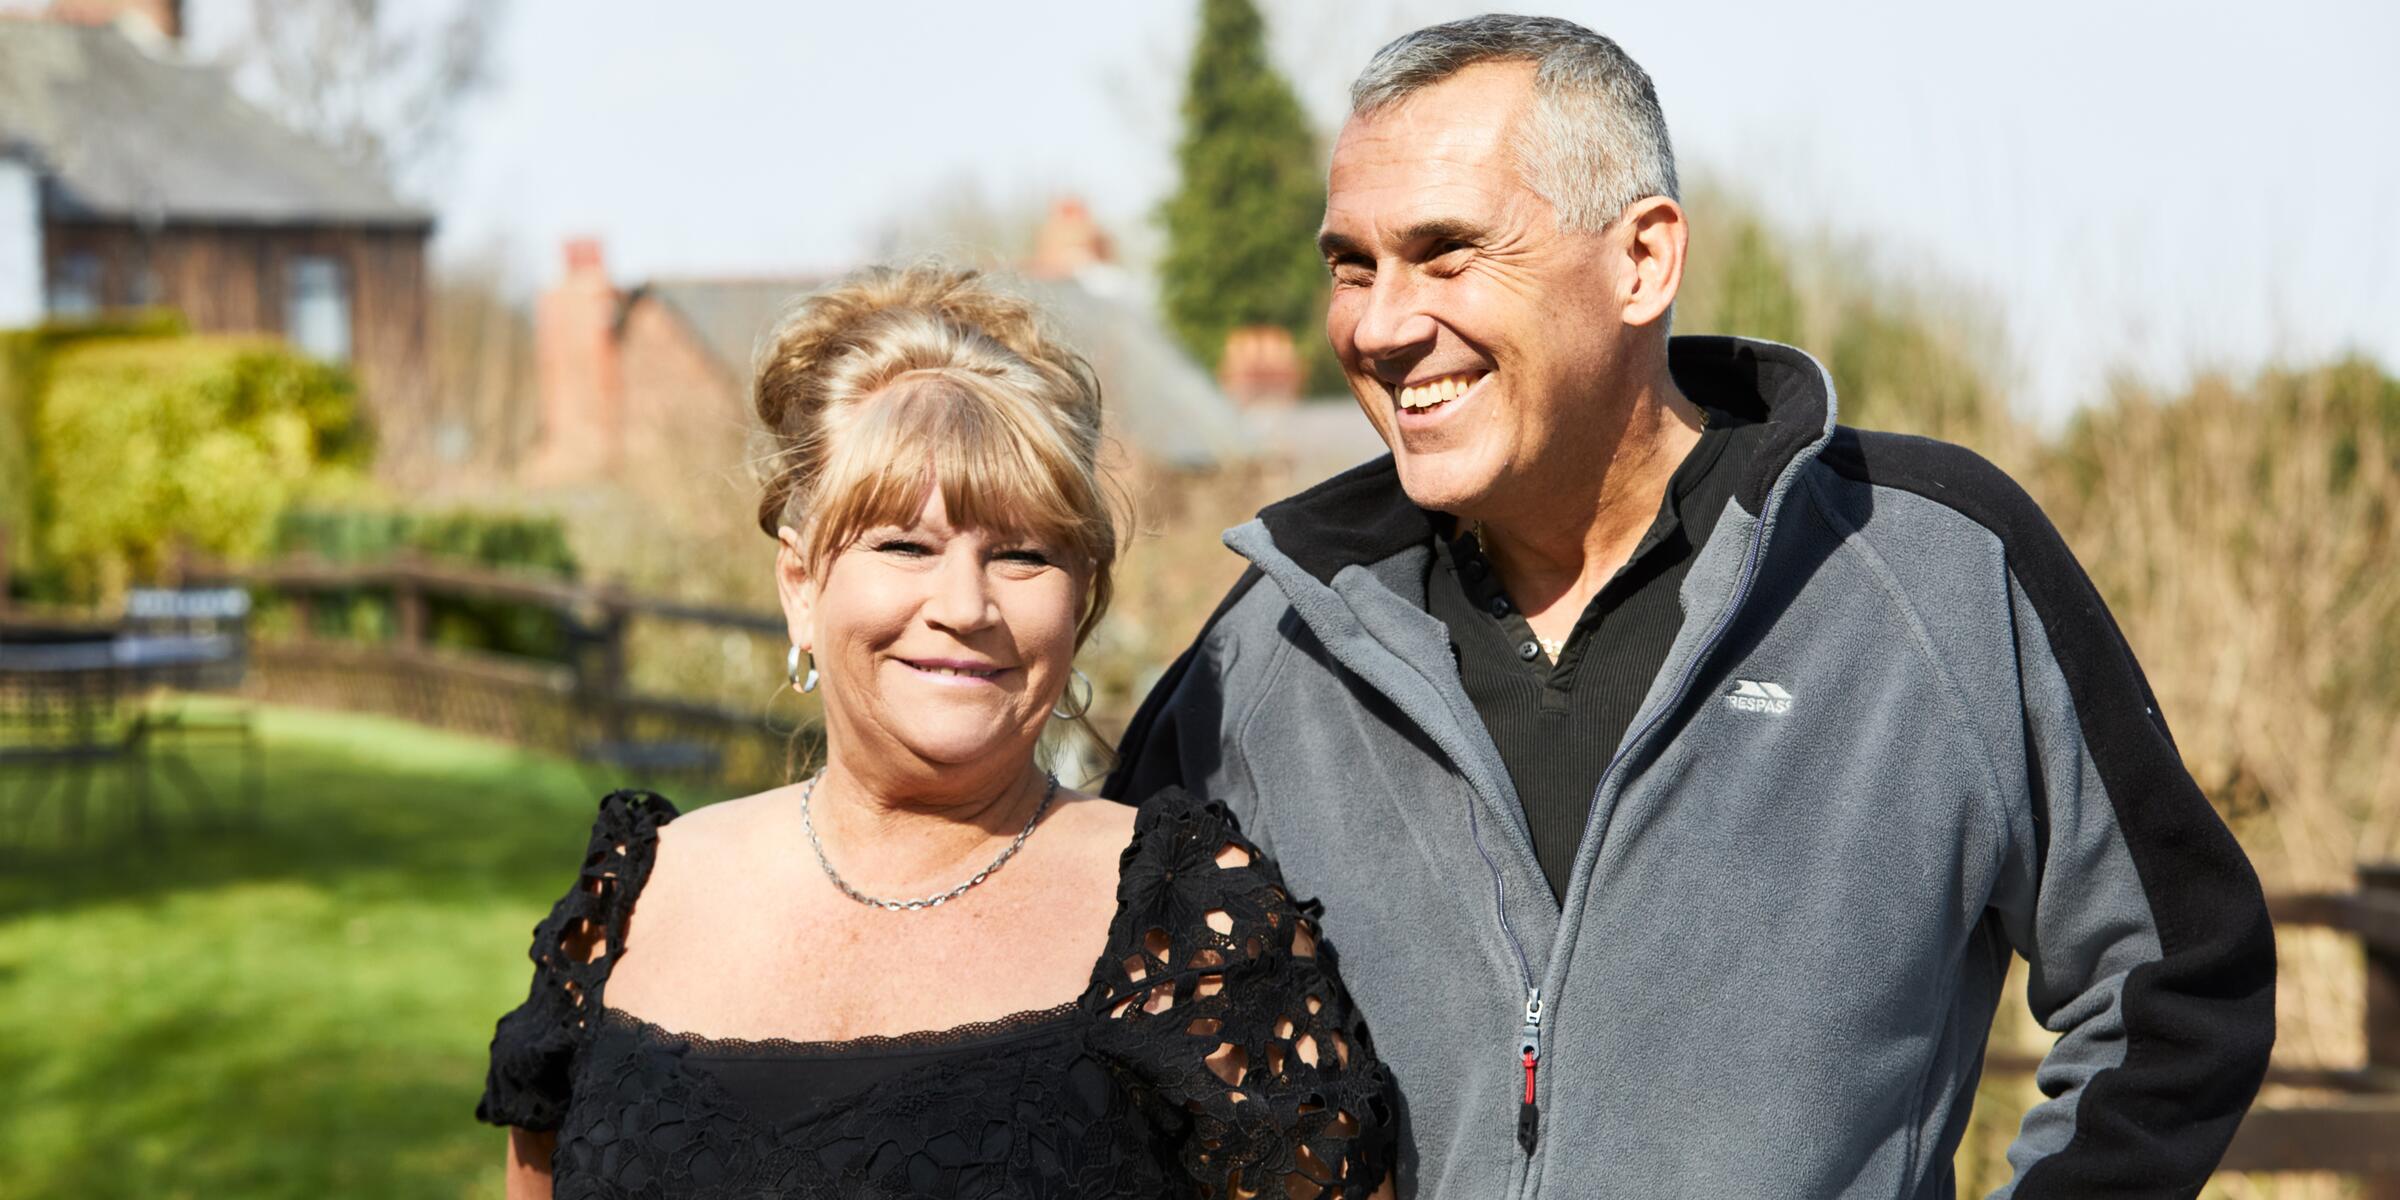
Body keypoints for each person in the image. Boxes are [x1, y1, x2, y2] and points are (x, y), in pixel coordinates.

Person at [1108, 15, 2273, 1198]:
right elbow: (1082, 1037)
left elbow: (2176, 983)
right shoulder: (1274, 646)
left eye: (1448, 252)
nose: (1378, 324)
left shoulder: (1930, 568)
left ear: (1643, 261)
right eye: (1351, 265)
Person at [477, 266, 1397, 1198]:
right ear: (800, 584)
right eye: (904, 546)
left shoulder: (1193, 931)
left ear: (1080, 601)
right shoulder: (638, 897)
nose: (965, 606)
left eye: (1022, 554)